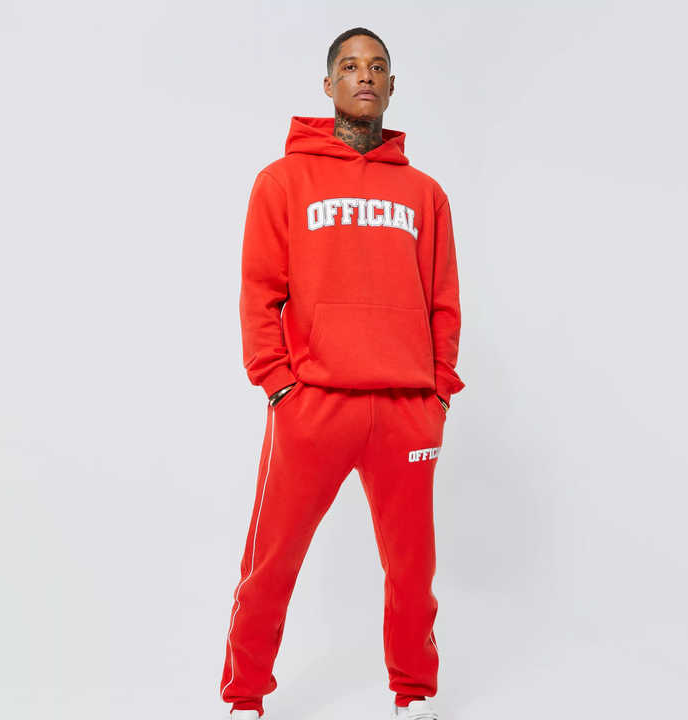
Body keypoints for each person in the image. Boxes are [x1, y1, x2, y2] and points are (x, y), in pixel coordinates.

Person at [220, 26, 465, 720]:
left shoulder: (425, 194)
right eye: (351, 66)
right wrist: (278, 383)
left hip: (405, 408)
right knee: (271, 563)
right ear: (328, 85)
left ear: (391, 87)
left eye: (378, 66)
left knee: (412, 571)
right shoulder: (282, 181)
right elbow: (259, 293)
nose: (365, 75)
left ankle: (413, 693)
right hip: (313, 406)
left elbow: (443, 300)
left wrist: (438, 392)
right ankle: (244, 697)